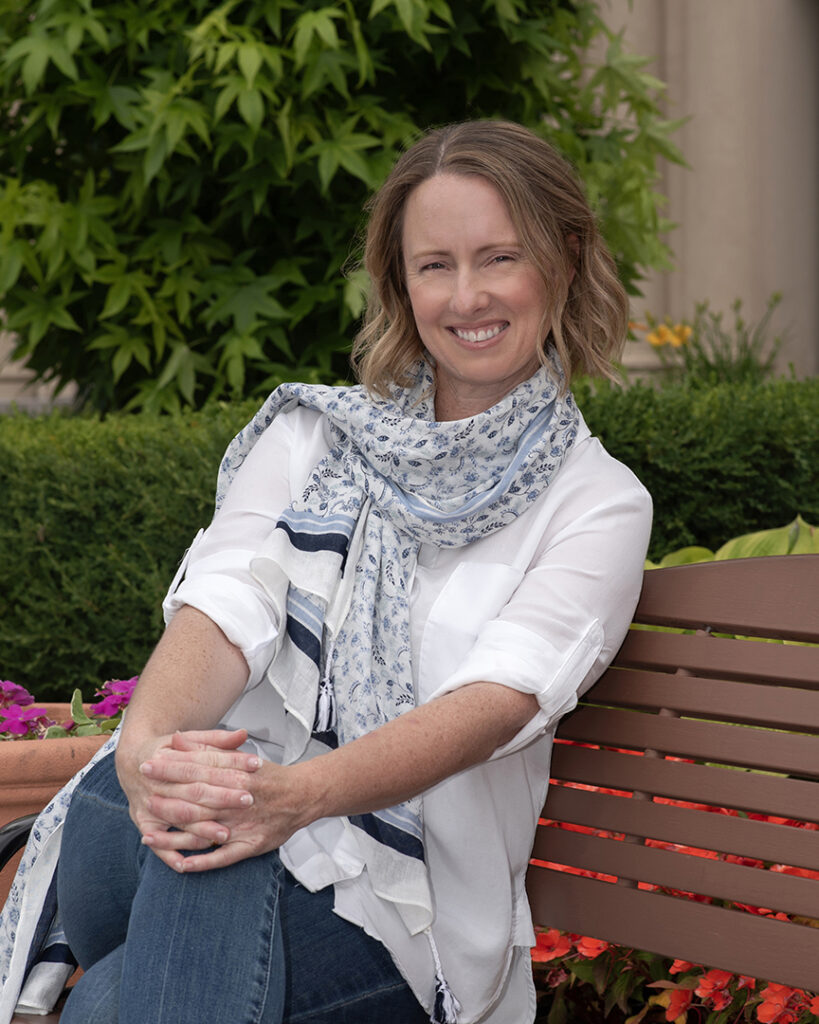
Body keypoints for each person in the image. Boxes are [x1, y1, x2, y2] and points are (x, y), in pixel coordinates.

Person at [0, 120, 651, 1024]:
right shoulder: (316, 436)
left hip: (399, 912)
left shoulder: (595, 504)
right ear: (399, 281)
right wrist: (151, 751)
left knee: (131, 971)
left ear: (565, 259)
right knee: (181, 804)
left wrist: (293, 799)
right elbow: (224, 606)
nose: (466, 296)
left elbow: (494, 703)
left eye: (499, 257)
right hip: (154, 834)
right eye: (434, 265)